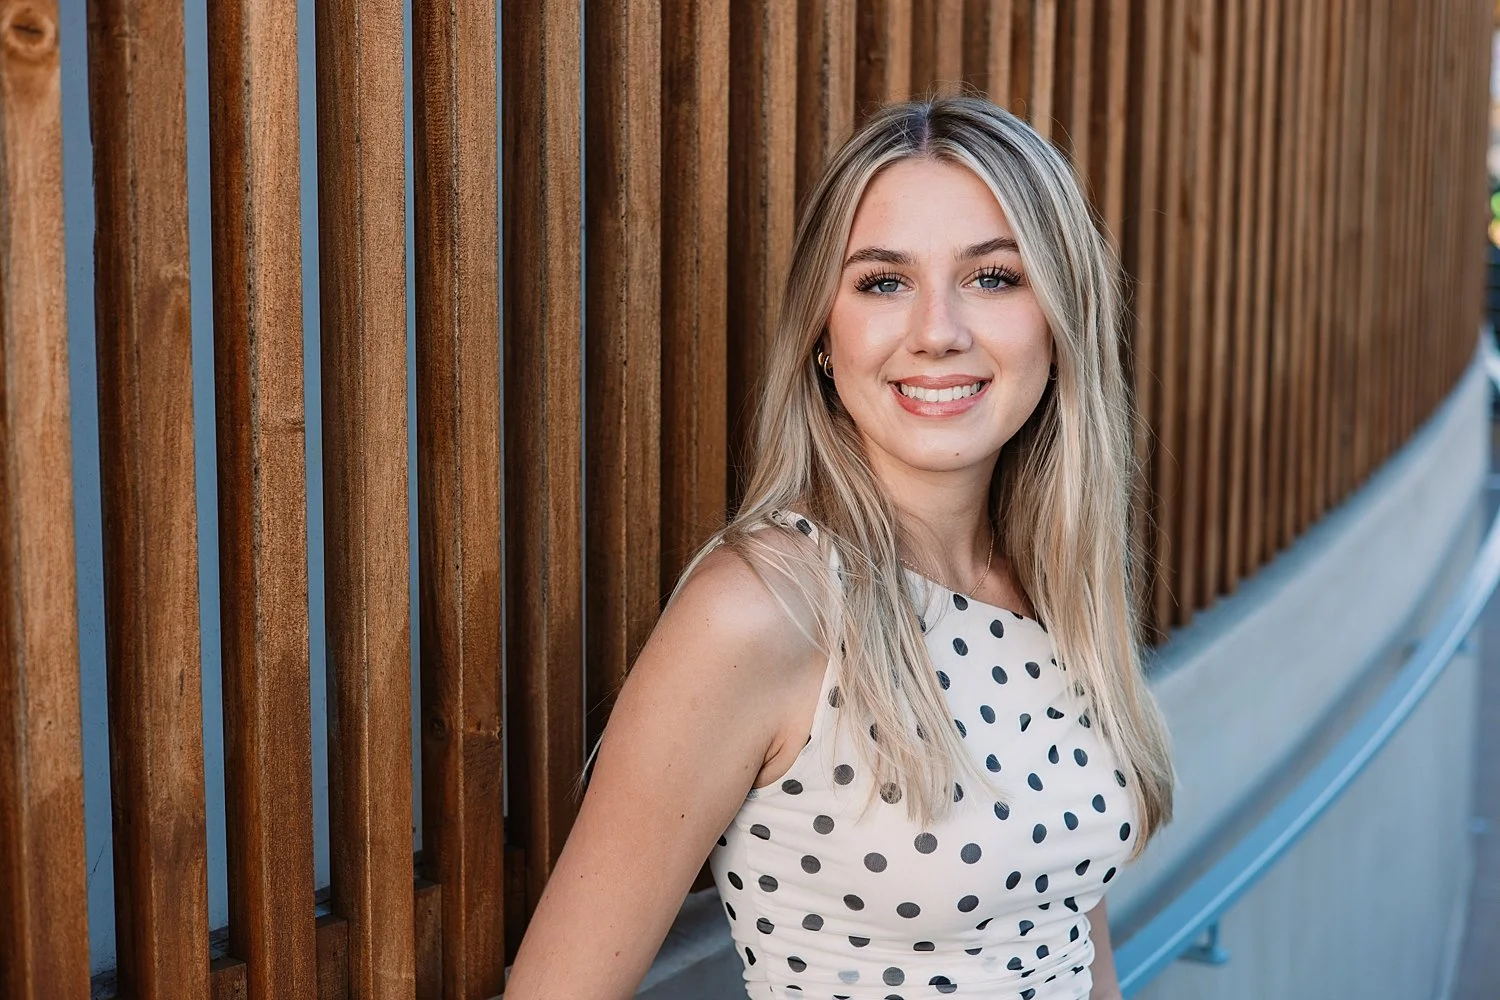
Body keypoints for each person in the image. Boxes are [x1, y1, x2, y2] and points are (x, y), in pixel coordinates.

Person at [503, 95, 1175, 1000]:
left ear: (1058, 321)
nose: (938, 331)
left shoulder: (1052, 583)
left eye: (994, 277)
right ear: (825, 336)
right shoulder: (762, 609)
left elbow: (1070, 943)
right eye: (883, 282)